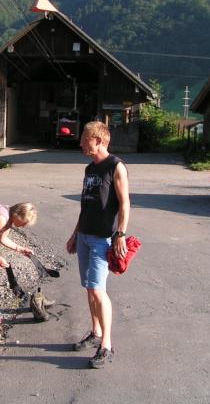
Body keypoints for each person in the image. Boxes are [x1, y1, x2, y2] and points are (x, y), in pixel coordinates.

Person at [66, 121, 129, 369]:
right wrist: (74, 234)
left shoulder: (116, 166)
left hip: (104, 237)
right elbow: (86, 205)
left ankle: (107, 344)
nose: (81, 143)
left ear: (99, 141)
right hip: (84, 236)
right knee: (89, 289)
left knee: (97, 290)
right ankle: (94, 332)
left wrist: (121, 234)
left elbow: (124, 204)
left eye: (85, 140)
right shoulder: (89, 169)